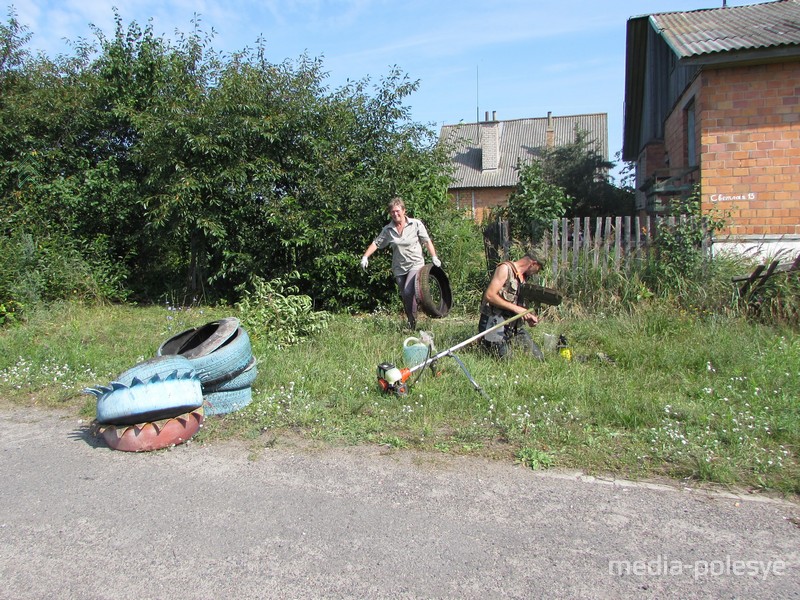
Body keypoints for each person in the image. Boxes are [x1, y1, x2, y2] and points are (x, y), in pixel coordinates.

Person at [361, 197, 440, 330]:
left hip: (415, 263)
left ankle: (412, 321)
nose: (395, 214)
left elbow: (426, 241)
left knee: (409, 291)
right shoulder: (388, 229)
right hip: (399, 267)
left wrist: (434, 257)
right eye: (392, 212)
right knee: (405, 294)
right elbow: (376, 243)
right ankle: (411, 320)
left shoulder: (415, 224)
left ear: (404, 211)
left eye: (397, 211)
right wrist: (365, 257)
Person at [478, 253, 544, 359]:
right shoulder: (505, 269)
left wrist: (528, 316)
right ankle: (484, 343)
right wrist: (517, 309)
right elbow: (489, 295)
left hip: (513, 328)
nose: (537, 272)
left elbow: (518, 306)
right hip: (494, 324)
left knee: (538, 358)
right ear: (533, 264)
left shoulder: (523, 279)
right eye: (538, 269)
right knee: (506, 359)